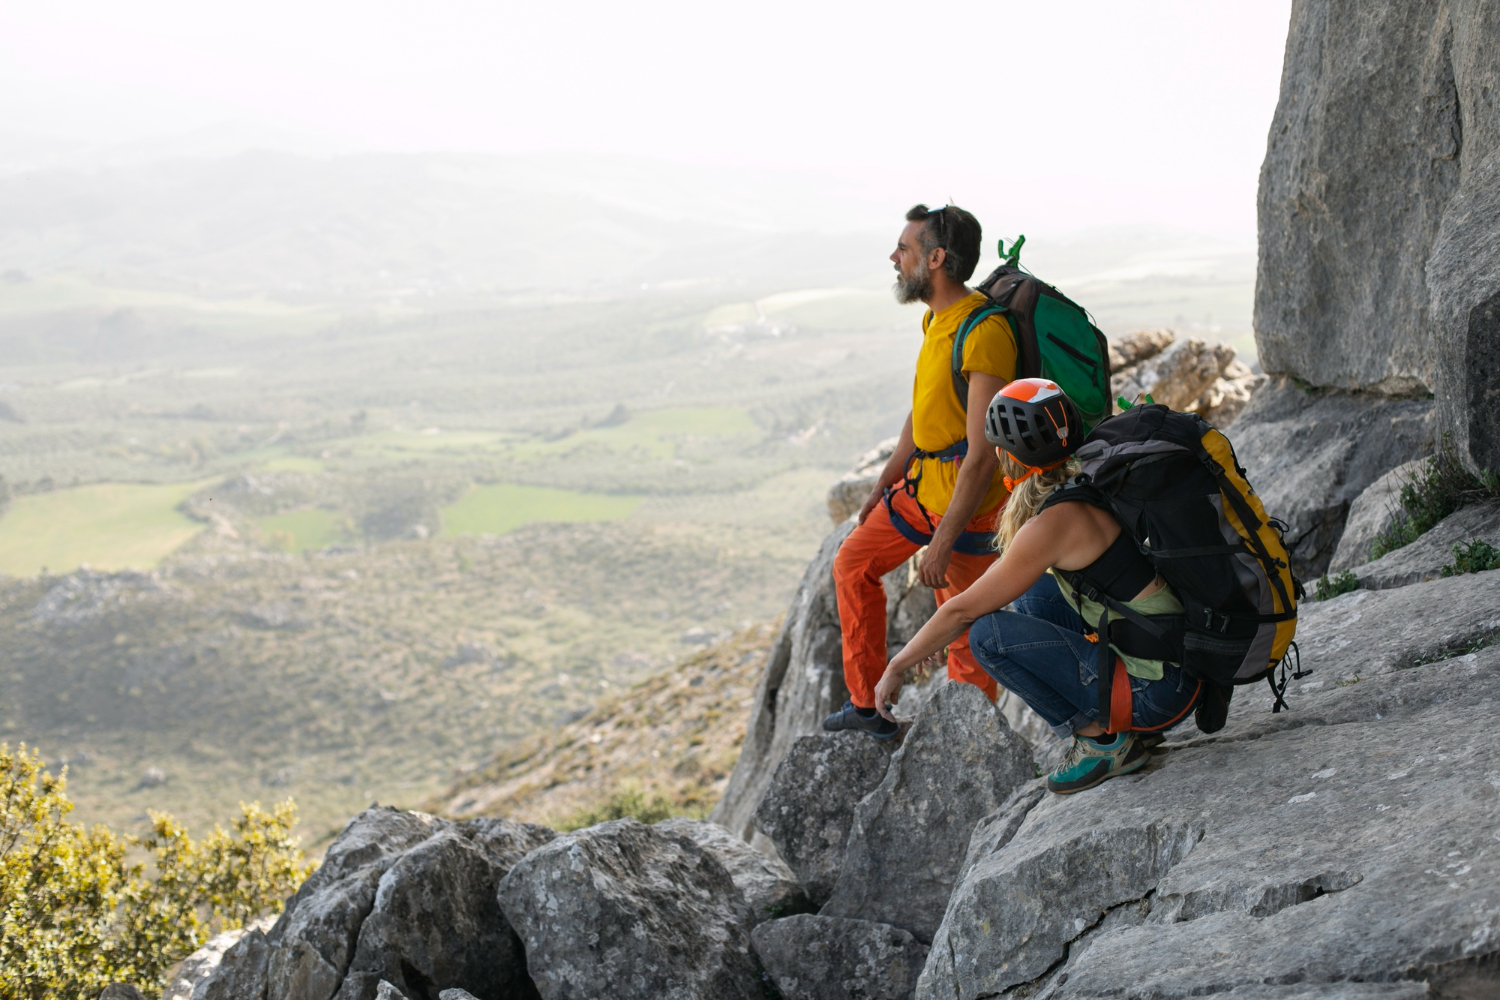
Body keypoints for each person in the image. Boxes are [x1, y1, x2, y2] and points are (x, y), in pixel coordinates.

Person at [873, 378, 1203, 793]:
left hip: (1159, 692)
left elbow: (961, 611)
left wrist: (897, 664)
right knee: (1033, 595)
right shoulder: (1089, 474)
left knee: (987, 636)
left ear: (1011, 455)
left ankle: (1100, 741)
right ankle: (1119, 723)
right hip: (1174, 660)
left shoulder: (1052, 524)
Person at [823, 204, 1018, 740]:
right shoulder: (935, 318)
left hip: (968, 509)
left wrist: (942, 542)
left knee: (961, 624)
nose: (894, 257)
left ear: (935, 258)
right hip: (921, 491)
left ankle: (965, 742)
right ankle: (868, 708)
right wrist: (885, 482)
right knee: (852, 564)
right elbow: (925, 413)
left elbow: (981, 455)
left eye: (904, 249)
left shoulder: (985, 333)